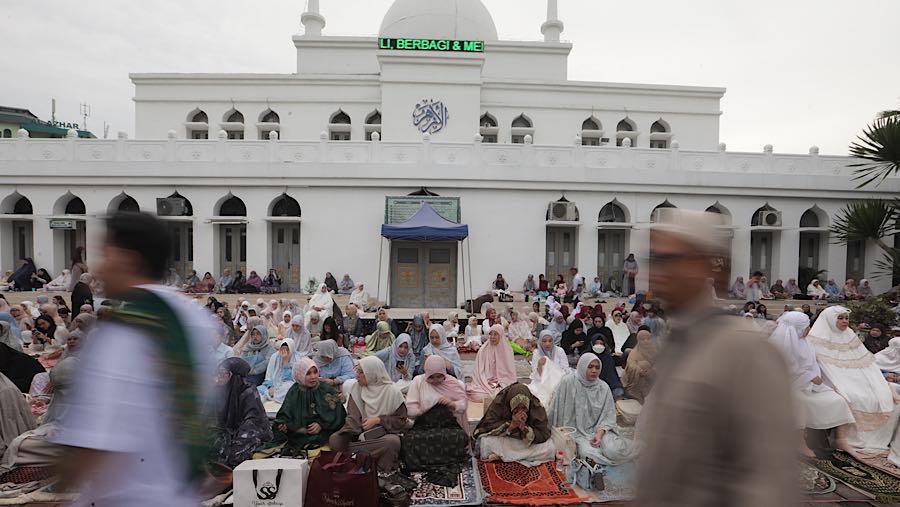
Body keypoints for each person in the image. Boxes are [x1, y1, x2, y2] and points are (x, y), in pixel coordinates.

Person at [52, 211, 219, 507]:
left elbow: (93, 442)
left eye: (104, 255)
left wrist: (61, 482)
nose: (98, 269)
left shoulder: (125, 329)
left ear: (127, 259)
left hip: (130, 497)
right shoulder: (191, 317)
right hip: (178, 493)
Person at [636, 209, 795, 507]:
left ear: (710, 266)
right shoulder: (679, 342)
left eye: (672, 259)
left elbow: (766, 480)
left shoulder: (745, 351)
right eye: (654, 260)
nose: (658, 273)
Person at [768, 311, 857, 458]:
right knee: (799, 402)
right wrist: (809, 377)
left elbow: (812, 364)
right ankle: (799, 441)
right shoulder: (780, 345)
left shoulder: (806, 342)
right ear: (796, 329)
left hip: (810, 386)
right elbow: (784, 370)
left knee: (838, 399)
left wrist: (814, 379)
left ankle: (840, 439)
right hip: (787, 387)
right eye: (805, 327)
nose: (808, 329)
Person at [807, 305, 897, 451]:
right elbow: (823, 367)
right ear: (829, 319)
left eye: (846, 318)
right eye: (840, 318)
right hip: (832, 379)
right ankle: (842, 439)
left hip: (857, 377)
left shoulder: (850, 336)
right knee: (853, 396)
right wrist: (843, 383)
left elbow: (866, 364)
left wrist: (877, 380)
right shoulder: (816, 339)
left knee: (883, 393)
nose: (845, 321)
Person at [549, 353, 639, 465]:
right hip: (576, 434)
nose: (594, 371)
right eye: (590, 367)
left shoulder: (603, 388)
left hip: (600, 431)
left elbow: (608, 417)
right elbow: (556, 409)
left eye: (597, 367)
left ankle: (641, 448)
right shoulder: (568, 382)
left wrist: (600, 434)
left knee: (613, 451)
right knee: (588, 453)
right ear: (582, 366)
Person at [329, 356, 408, 473]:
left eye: (361, 372)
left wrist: (378, 420)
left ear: (372, 373)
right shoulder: (357, 388)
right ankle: (356, 459)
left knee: (393, 442)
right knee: (335, 440)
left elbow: (401, 420)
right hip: (360, 436)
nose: (357, 376)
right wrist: (349, 432)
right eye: (357, 371)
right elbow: (353, 418)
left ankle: (377, 470)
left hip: (382, 436)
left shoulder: (392, 392)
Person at [257, 357, 347, 457]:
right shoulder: (294, 391)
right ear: (300, 375)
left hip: (323, 434)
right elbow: (285, 412)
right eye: (308, 373)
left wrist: (321, 424)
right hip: (297, 434)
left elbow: (338, 414)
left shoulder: (325, 389)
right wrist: (283, 424)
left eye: (315, 372)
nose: (313, 377)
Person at [403, 355, 470, 485]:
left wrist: (451, 404)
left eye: (439, 376)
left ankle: (448, 461)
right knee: (410, 440)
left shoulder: (453, 383)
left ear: (444, 373)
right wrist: (424, 410)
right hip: (424, 425)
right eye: (432, 377)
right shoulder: (418, 382)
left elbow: (463, 406)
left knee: (458, 437)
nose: (436, 380)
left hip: (447, 425)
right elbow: (410, 409)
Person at [209, 357, 272, 467]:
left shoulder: (248, 391)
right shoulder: (218, 391)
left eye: (224, 374)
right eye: (218, 374)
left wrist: (234, 442)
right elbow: (210, 420)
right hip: (226, 432)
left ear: (235, 376)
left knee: (236, 454)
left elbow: (253, 423)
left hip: (248, 432)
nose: (219, 378)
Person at [473, 383, 555, 465]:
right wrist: (511, 425)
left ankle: (503, 456)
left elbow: (543, 433)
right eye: (516, 408)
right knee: (485, 442)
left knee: (549, 447)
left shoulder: (536, 407)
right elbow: (487, 426)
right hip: (505, 439)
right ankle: (512, 456)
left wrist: (524, 428)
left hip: (524, 443)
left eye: (524, 408)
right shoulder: (500, 403)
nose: (520, 411)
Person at [468, 324, 517, 402]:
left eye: (495, 334)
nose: (492, 337)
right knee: (478, 395)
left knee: (510, 392)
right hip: (485, 381)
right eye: (490, 334)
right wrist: (487, 381)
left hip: (502, 381)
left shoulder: (507, 350)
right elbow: (479, 371)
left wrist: (500, 381)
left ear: (501, 335)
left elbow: (510, 373)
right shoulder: (483, 350)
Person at [528, 330, 569, 406]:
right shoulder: (537, 353)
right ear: (540, 342)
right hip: (542, 380)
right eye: (544, 341)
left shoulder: (559, 351)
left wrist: (554, 375)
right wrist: (540, 365)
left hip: (559, 380)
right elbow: (535, 372)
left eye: (550, 341)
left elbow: (565, 369)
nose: (547, 344)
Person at [622, 330, 657, 403]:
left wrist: (652, 371)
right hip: (635, 382)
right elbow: (631, 365)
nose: (646, 341)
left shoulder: (655, 351)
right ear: (638, 340)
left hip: (650, 379)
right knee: (644, 364)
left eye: (648, 339)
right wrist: (639, 371)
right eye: (643, 339)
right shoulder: (634, 353)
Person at [258, 339, 297, 403]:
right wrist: (270, 387)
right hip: (273, 385)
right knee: (257, 389)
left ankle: (270, 395)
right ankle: (271, 394)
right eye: (282, 348)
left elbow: (289, 379)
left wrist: (285, 361)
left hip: (286, 385)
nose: (284, 351)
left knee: (289, 388)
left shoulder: (296, 359)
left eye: (287, 349)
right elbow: (268, 376)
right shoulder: (274, 356)